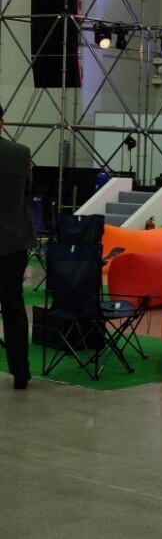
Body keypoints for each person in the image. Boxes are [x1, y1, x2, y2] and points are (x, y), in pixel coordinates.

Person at [0, 101, 37, 389]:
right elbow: (29, 190)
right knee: (13, 306)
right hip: (12, 243)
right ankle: (20, 373)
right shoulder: (21, 153)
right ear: (2, 122)